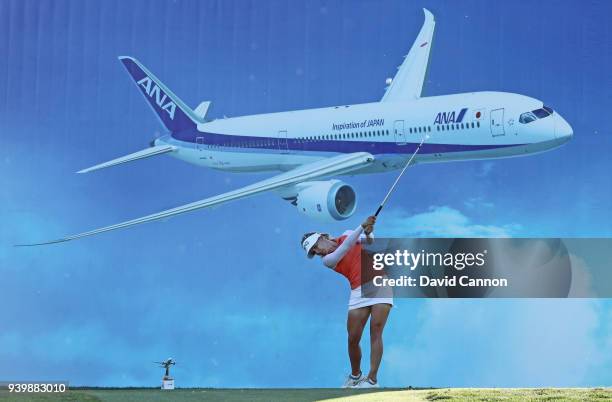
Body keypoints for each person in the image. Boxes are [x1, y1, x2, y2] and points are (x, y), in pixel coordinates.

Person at [301, 216, 393, 388]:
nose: (317, 252)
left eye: (316, 247)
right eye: (313, 251)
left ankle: (372, 380)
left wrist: (369, 231)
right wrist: (362, 226)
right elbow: (345, 247)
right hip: (358, 291)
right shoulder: (327, 261)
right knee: (353, 339)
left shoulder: (348, 233)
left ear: (322, 237)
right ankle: (356, 375)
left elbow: (370, 244)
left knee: (376, 332)